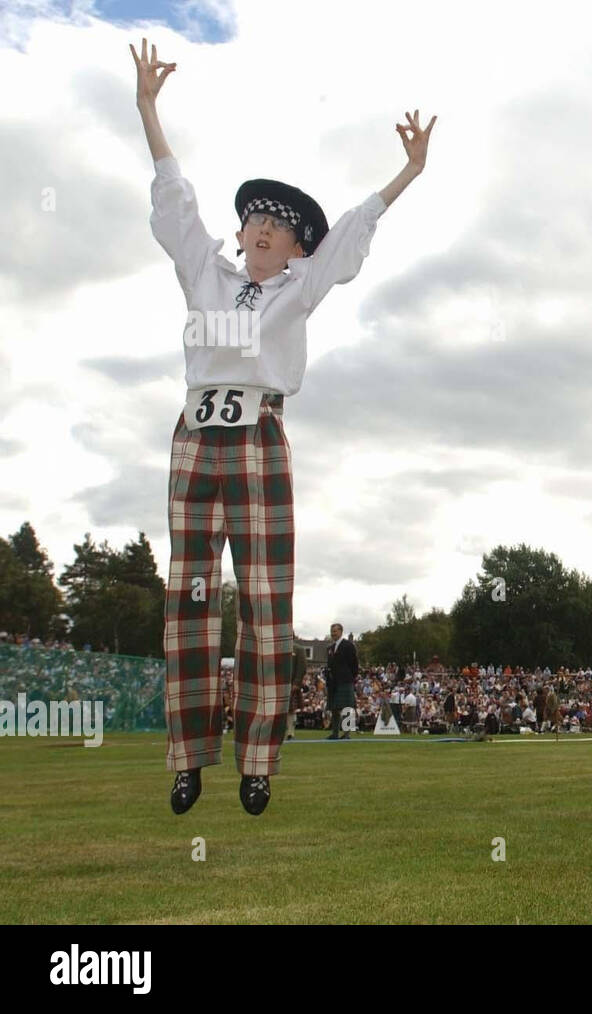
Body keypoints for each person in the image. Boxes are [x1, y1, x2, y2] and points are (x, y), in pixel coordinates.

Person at [136, 38, 436, 816]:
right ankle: (188, 756)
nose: (263, 229)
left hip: (259, 436)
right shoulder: (205, 273)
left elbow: (354, 230)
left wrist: (406, 173)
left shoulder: (299, 290)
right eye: (255, 220)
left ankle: (258, 760)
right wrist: (148, 109)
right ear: (240, 235)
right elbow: (175, 201)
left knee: (265, 602)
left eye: (279, 225)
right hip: (196, 434)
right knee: (189, 596)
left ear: (298, 248)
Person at [325, 624, 359, 740]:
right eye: (332, 631)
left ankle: (347, 734)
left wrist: (350, 678)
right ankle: (335, 733)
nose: (333, 633)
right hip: (333, 683)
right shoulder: (330, 648)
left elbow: (354, 664)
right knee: (334, 708)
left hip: (345, 681)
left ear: (341, 631)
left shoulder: (348, 645)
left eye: (335, 631)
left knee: (347, 708)